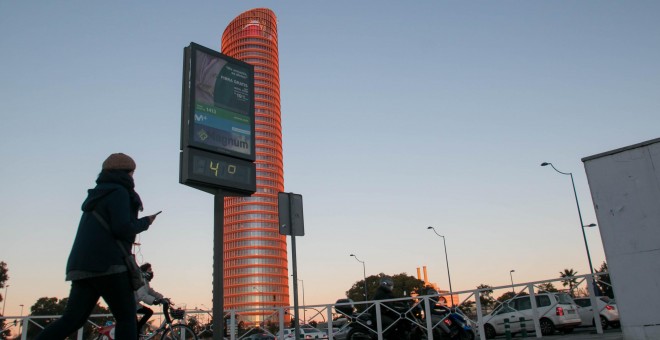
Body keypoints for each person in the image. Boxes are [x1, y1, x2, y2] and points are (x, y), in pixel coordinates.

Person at [36, 153, 160, 340]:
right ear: (127, 173)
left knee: (72, 319)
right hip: (109, 265)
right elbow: (122, 229)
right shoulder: (119, 192)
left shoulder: (96, 196)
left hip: (82, 267)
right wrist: (146, 221)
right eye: (132, 173)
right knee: (127, 319)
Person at [135, 263, 166, 336]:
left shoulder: (145, 281)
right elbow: (142, 295)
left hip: (134, 304)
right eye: (149, 270)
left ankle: (137, 329)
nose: (151, 272)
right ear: (144, 271)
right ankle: (137, 330)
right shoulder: (140, 280)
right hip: (129, 305)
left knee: (149, 312)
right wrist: (154, 301)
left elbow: (151, 291)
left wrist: (161, 297)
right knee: (134, 326)